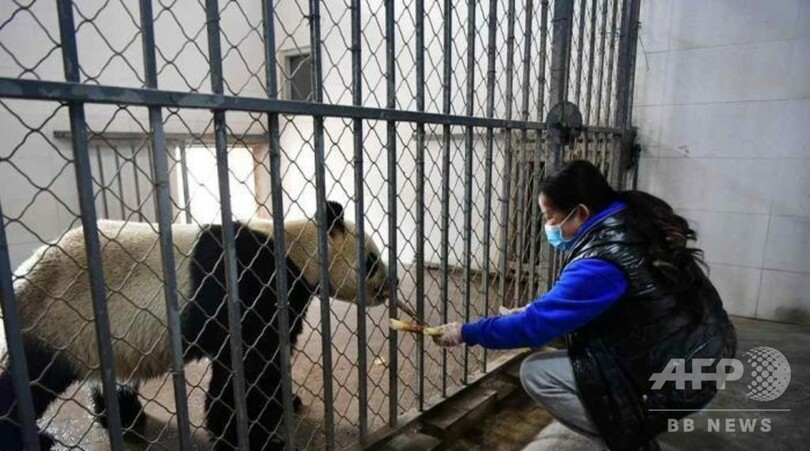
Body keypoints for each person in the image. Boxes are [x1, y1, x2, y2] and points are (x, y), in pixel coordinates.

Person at [432, 160, 737, 451]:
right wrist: (534, 310)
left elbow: (533, 328)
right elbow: (576, 304)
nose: (547, 226)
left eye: (550, 216)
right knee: (576, 348)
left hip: (680, 372)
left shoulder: (601, 262)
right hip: (706, 348)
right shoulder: (631, 217)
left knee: (537, 373)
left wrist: (466, 332)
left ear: (580, 212)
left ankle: (629, 436)